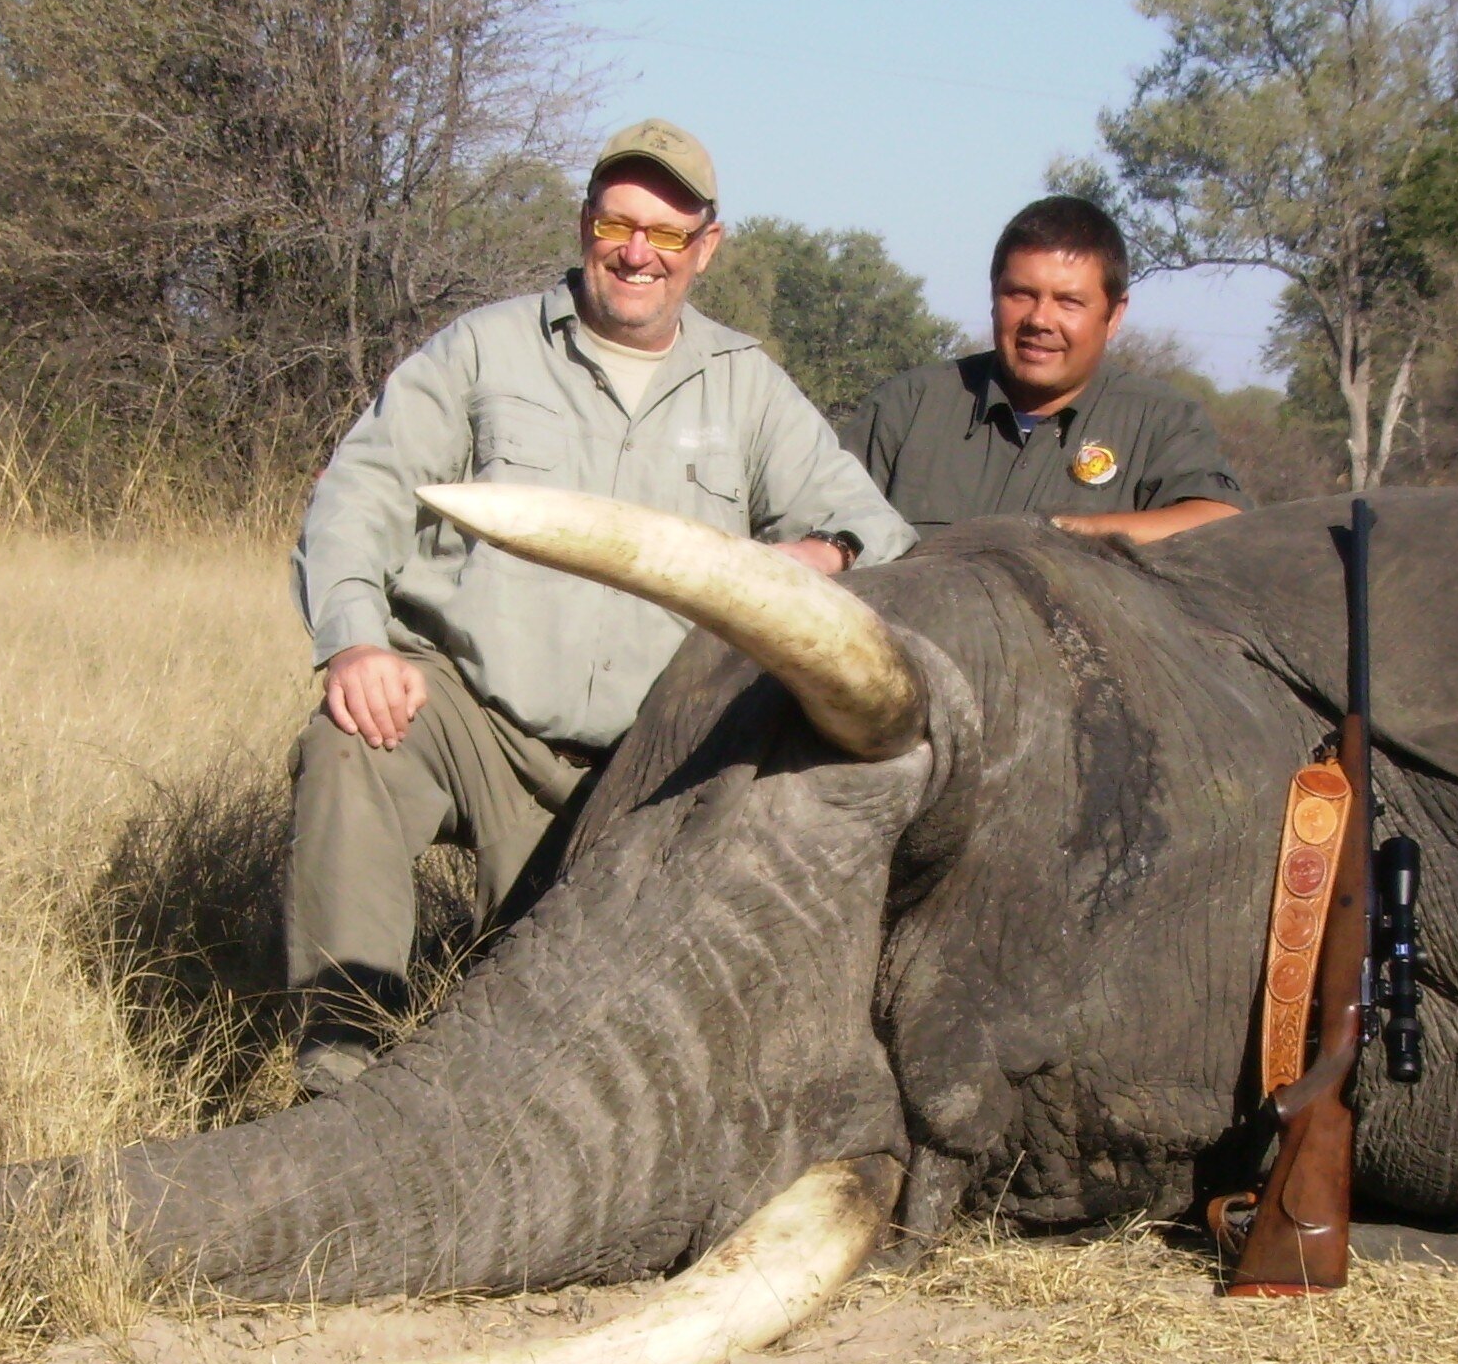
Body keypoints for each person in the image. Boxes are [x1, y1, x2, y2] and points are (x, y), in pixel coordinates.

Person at [286, 118, 915, 1095]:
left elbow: (874, 529)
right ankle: (335, 1074)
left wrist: (819, 551)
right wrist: (355, 644)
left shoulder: (746, 386)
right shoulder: (483, 351)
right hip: (480, 725)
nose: (636, 253)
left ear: (705, 247)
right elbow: (361, 490)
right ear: (585, 226)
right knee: (350, 745)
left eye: (665, 235)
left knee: (563, 1066)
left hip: (652, 771)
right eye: (617, 224)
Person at [843, 194, 1244, 547]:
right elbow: (826, 520)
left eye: (1069, 302)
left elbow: (1219, 522)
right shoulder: (908, 406)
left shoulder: (1161, 420)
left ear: (1114, 314)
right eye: (1021, 294)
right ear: (994, 295)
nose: (1040, 320)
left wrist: (1059, 537)